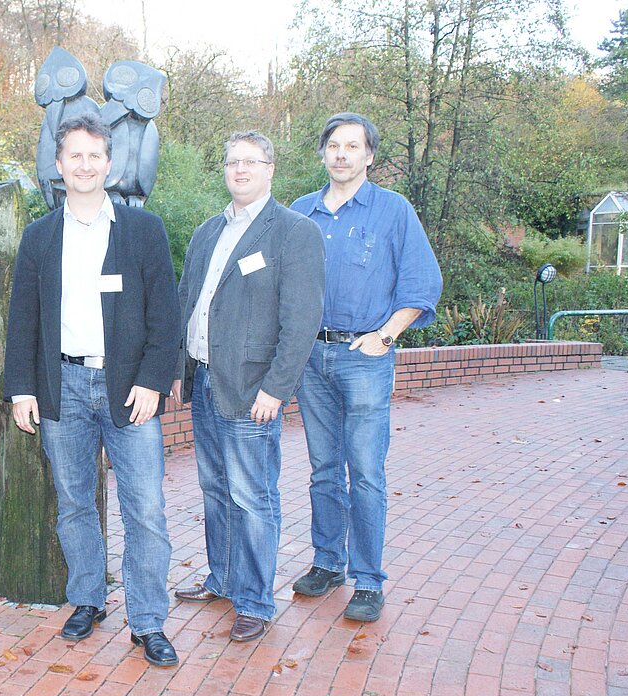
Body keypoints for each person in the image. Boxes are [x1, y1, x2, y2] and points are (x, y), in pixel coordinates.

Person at [4, 113, 181, 667]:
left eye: (94, 156)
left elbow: (166, 316)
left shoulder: (143, 231)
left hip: (130, 389)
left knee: (145, 508)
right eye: (74, 156)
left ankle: (148, 620)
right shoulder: (39, 237)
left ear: (109, 164)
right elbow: (23, 319)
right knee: (76, 502)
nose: (85, 165)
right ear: (59, 166)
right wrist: (22, 389)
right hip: (63, 386)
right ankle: (87, 598)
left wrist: (153, 380)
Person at [172, 131, 325, 642]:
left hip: (252, 389)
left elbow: (301, 322)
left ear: (270, 169)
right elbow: (188, 301)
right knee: (216, 489)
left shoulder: (294, 232)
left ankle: (255, 600)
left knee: (252, 496)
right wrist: (177, 369)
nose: (240, 169)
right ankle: (222, 577)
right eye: (232, 161)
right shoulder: (208, 232)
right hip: (205, 381)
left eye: (251, 161)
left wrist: (276, 389)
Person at [289, 113, 443, 622]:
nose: (341, 154)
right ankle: (327, 562)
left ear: (369, 156)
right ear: (322, 153)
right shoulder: (301, 214)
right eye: (333, 145)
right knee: (323, 469)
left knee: (366, 472)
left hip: (365, 359)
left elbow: (421, 283)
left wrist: (385, 337)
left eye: (352, 146)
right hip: (311, 358)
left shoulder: (393, 211)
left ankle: (369, 580)